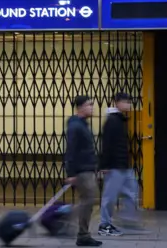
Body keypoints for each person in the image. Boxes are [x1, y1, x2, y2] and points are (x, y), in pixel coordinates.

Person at [98, 93, 148, 236]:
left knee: (132, 191)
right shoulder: (112, 121)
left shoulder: (121, 119)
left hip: (124, 165)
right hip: (114, 166)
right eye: (127, 102)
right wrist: (105, 165)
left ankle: (126, 219)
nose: (129, 105)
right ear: (118, 103)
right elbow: (106, 145)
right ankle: (104, 225)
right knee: (110, 197)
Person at [65, 96, 102, 247]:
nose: (92, 107)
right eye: (89, 105)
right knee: (88, 200)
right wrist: (71, 173)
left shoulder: (82, 124)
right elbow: (71, 149)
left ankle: (81, 232)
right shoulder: (76, 126)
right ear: (80, 107)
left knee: (88, 200)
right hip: (82, 170)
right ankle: (82, 234)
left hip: (87, 168)